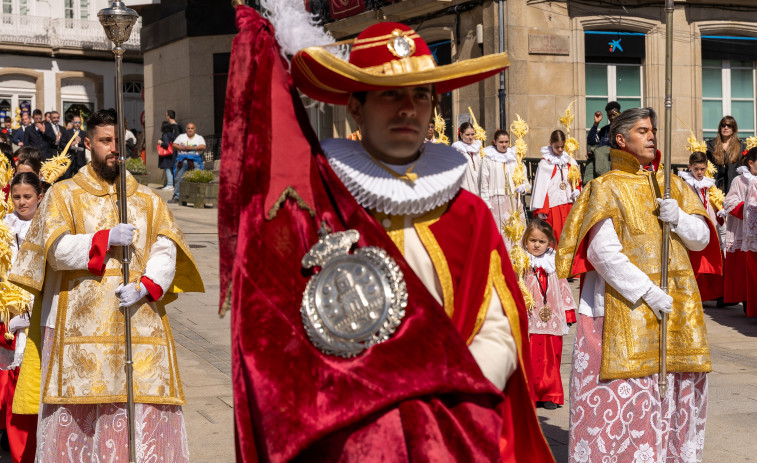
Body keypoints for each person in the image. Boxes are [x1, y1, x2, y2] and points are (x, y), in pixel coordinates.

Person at [221, 7, 554, 462]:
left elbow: (499, 326)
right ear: (354, 106)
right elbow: (281, 337)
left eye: (421, 95)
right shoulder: (316, 212)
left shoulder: (470, 214)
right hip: (351, 436)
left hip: (453, 428)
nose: (407, 108)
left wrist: (451, 399)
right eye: (388, 95)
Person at [8, 109, 204, 461]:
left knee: (139, 413)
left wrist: (146, 286)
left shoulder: (147, 198)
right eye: (105, 141)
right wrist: (102, 239)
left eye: (119, 142)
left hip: (136, 321)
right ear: (87, 143)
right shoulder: (63, 195)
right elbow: (54, 251)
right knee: (77, 422)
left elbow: (166, 248)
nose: (115, 149)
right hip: (75, 327)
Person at [556, 107, 720, 462]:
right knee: (624, 397)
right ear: (620, 139)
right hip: (623, 307)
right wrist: (647, 291)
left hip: (676, 309)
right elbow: (602, 253)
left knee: (673, 391)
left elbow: (702, 239)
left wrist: (679, 218)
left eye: (653, 131)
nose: (651, 137)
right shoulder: (605, 186)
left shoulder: (672, 183)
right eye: (643, 131)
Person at [1, 172, 43, 463]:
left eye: (27, 196)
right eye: (16, 197)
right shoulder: (4, 228)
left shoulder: (50, 226)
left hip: (39, 318)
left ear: (39, 197)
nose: (21, 202)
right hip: (10, 319)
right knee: (13, 392)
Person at [522, 219, 575, 410]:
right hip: (530, 317)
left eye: (541, 241)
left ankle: (550, 394)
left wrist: (568, 314)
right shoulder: (522, 262)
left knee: (551, 357)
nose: (536, 245)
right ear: (526, 240)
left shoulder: (553, 263)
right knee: (529, 355)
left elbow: (563, 289)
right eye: (532, 240)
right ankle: (530, 393)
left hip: (551, 317)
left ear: (549, 243)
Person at [679, 151, 724, 302]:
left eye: (702, 169)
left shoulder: (708, 184)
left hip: (708, 221)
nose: (699, 172)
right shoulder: (685, 184)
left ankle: (708, 294)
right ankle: (694, 293)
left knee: (708, 258)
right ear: (689, 167)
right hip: (692, 223)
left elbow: (711, 202)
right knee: (695, 259)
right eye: (696, 169)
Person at [479, 129, 530, 251]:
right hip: (495, 200)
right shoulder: (488, 159)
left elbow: (526, 182)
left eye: (506, 142)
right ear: (495, 142)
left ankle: (517, 259)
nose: (504, 145)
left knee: (516, 231)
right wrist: (486, 203)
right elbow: (483, 184)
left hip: (513, 200)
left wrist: (523, 188)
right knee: (498, 231)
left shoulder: (515, 158)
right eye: (501, 142)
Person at [722, 148, 757, 314]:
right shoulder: (740, 180)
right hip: (743, 232)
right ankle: (746, 302)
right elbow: (729, 202)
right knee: (744, 272)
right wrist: (748, 211)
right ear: (750, 163)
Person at [530, 129, 580, 243]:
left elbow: (576, 179)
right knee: (554, 235)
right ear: (550, 144)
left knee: (569, 235)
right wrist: (542, 208)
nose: (560, 149)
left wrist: (577, 189)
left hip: (568, 203)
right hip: (553, 206)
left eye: (562, 146)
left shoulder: (569, 160)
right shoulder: (545, 163)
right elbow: (541, 188)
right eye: (557, 147)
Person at [706, 115, 746, 193]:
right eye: (723, 125)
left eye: (729, 126)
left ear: (734, 129)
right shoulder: (710, 145)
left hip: (734, 187)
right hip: (715, 187)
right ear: (720, 128)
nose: (726, 128)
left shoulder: (741, 147)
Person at [169, 122, 206, 204]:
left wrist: (192, 147)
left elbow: (203, 146)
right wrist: (182, 148)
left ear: (195, 130)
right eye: (188, 128)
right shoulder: (181, 137)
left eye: (192, 128)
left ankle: (199, 198)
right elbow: (174, 145)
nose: (190, 130)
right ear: (186, 130)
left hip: (195, 161)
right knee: (179, 178)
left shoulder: (199, 138)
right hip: (183, 161)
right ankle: (177, 197)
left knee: (198, 180)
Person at [584, 101, 620, 182]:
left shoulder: (624, 130)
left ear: (619, 113)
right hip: (602, 171)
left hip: (617, 171)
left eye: (613, 115)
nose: (611, 117)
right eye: (609, 115)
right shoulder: (604, 130)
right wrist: (596, 123)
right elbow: (591, 141)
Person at [451, 122, 482, 194]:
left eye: (472, 134)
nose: (470, 137)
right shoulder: (457, 149)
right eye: (467, 135)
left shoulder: (476, 148)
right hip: (464, 185)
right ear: (461, 135)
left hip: (478, 185)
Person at [57, 114, 87, 180]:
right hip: (69, 159)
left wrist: (81, 142)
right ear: (72, 122)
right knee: (67, 178)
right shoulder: (66, 132)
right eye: (76, 122)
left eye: (79, 122)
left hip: (80, 160)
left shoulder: (84, 133)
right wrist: (70, 144)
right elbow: (61, 144)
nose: (77, 124)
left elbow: (87, 145)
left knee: (80, 179)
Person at [158, 120, 176, 190]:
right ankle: (172, 184)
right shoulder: (172, 134)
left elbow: (166, 144)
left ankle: (170, 184)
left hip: (166, 155)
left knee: (167, 169)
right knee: (171, 169)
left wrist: (160, 142)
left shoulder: (165, 135)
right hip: (172, 154)